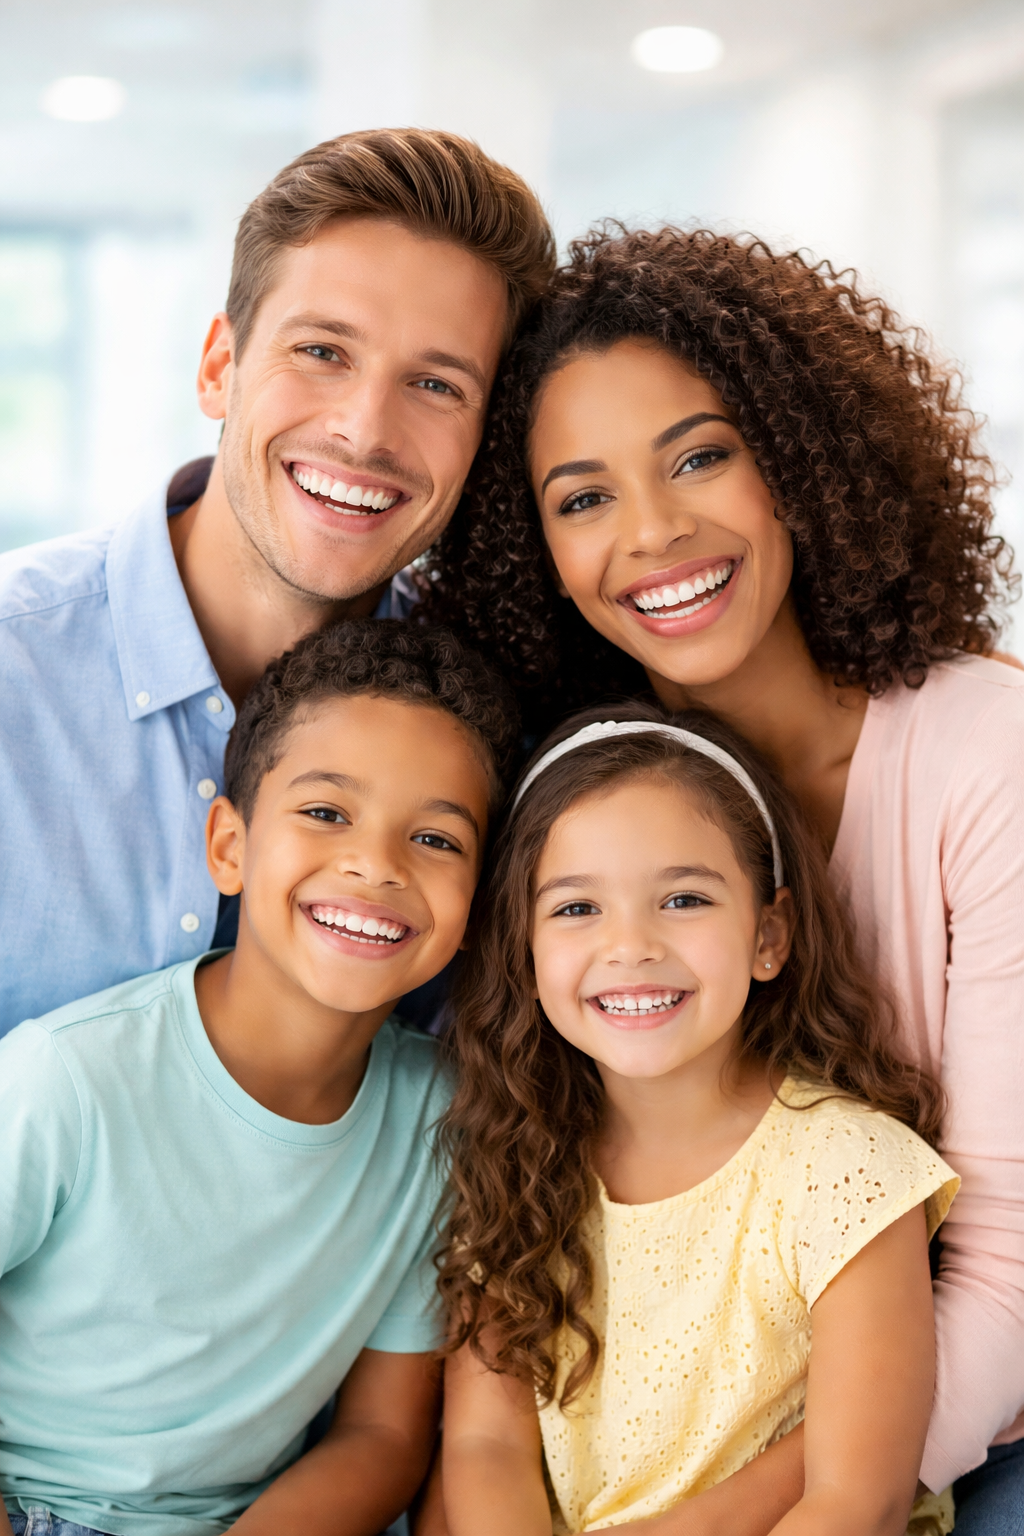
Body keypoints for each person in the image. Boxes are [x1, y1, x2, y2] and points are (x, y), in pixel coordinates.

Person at [421, 228, 1024, 1529]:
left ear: (801, 462)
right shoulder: (571, 806)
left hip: (945, 1433)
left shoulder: (990, 754)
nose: (652, 532)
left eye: (700, 456)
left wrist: (726, 1513)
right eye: (583, 497)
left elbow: (1010, 1274)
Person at [0, 127, 554, 1037]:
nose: (365, 430)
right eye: (323, 352)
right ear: (221, 366)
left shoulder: (499, 739)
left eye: (437, 385)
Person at [0, 619, 517, 1536]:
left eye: (436, 839)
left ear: (479, 904)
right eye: (325, 813)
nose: (376, 865)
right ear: (229, 847)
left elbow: (382, 1433)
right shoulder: (65, 1082)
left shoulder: (442, 1119)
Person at [438, 702, 958, 1536]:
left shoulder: (848, 1168)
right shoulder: (517, 1164)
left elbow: (858, 1500)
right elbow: (483, 1447)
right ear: (522, 950)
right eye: (577, 909)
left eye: (683, 898)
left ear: (769, 934)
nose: (631, 945)